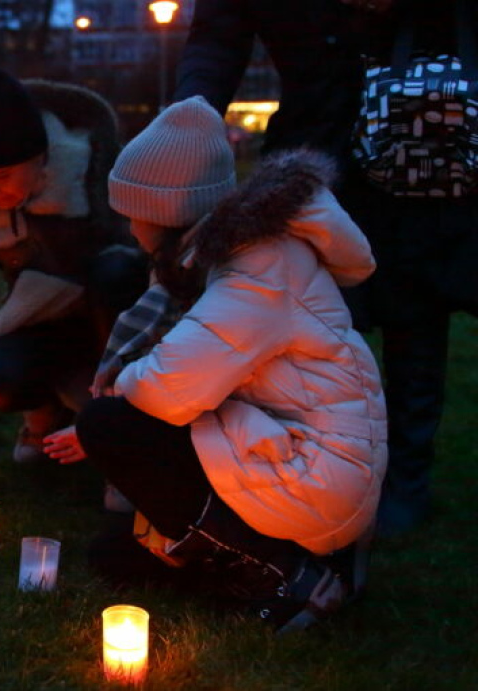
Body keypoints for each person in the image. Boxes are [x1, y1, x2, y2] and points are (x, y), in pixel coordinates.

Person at [52, 97, 387, 632]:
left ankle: (289, 574)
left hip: (316, 469)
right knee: (115, 558)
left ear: (165, 212)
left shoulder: (258, 267)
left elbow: (167, 390)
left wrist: (110, 398)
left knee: (111, 422)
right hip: (282, 439)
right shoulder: (226, 256)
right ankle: (271, 558)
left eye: (133, 211)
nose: (129, 227)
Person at [171, 0, 476, 538]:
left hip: (414, 142)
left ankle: (403, 477)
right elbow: (218, 35)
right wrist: (191, 114)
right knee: (302, 318)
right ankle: (317, 463)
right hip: (316, 143)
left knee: (415, 314)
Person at [0, 67, 147, 475]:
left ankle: (124, 439)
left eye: (1, 176)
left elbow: (147, 275)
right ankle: (46, 419)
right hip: (45, 327)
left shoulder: (98, 178)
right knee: (2, 380)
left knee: (116, 270)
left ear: (42, 158)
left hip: (117, 325)